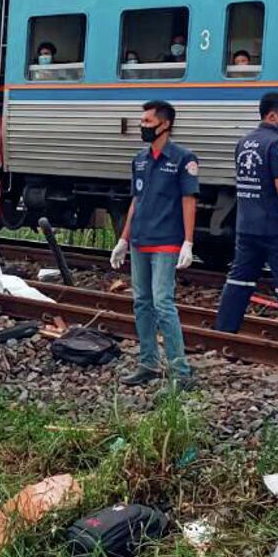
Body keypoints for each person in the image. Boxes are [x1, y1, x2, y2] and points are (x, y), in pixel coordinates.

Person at [110, 100, 198, 388]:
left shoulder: (184, 159)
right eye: (143, 121)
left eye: (148, 122)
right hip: (140, 240)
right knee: (142, 303)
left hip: (167, 242)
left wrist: (188, 241)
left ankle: (180, 370)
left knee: (163, 302)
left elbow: (189, 201)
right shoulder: (140, 159)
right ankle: (148, 362)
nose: (142, 126)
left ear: (165, 124)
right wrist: (123, 238)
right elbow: (136, 200)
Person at [214, 92, 278, 346]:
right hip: (274, 227)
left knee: (240, 278)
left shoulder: (244, 142)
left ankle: (223, 331)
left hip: (247, 226)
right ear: (272, 115)